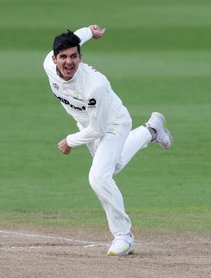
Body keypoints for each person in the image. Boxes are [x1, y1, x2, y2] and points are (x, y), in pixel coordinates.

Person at [43, 25, 173, 256]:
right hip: (88, 124)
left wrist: (70, 141)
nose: (69, 62)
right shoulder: (48, 66)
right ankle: (151, 130)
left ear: (81, 57)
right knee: (115, 165)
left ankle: (124, 236)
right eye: (63, 57)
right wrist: (90, 31)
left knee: (99, 177)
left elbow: (98, 128)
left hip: (113, 123)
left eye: (74, 56)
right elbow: (78, 38)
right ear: (54, 58)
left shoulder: (94, 85)